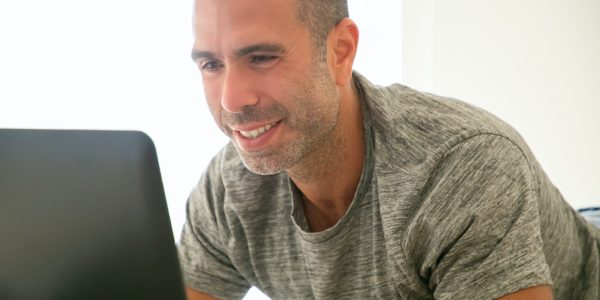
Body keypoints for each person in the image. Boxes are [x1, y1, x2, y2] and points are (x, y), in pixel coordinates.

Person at [178, 0, 600, 299]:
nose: (232, 100)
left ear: (340, 52)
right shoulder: (229, 189)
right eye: (211, 65)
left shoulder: (460, 169)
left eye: (263, 57)